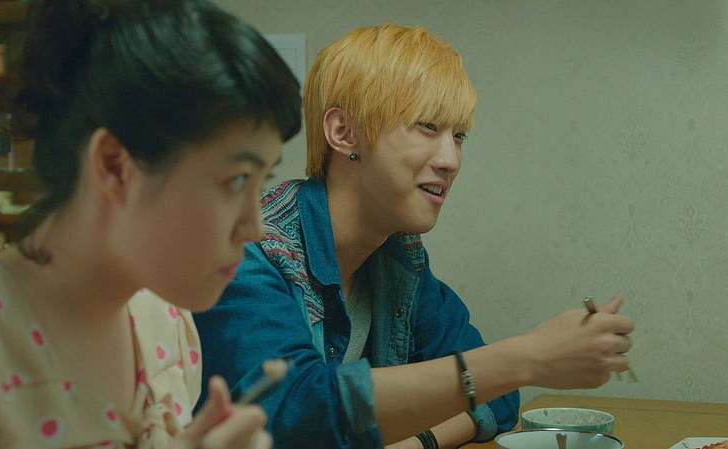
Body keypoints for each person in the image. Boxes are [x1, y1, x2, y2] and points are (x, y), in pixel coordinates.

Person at [192, 23, 635, 449]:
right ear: (344, 132)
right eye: (427, 127)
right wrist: (524, 358)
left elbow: (498, 396)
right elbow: (294, 415)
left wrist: (420, 441)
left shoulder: (398, 254)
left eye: (458, 135)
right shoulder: (252, 247)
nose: (450, 160)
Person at [0, 0, 301, 448]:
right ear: (114, 165)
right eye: (236, 179)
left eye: (263, 180)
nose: (256, 228)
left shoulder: (163, 319)